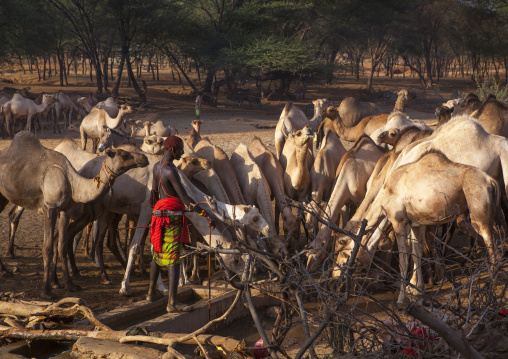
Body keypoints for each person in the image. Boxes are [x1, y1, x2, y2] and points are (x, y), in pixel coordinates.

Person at [147, 135, 213, 312]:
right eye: (180, 149)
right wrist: (204, 213)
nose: (182, 152)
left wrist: (159, 211)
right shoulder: (171, 170)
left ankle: (151, 292)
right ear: (171, 149)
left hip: (159, 215)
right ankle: (172, 302)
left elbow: (153, 195)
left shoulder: (156, 167)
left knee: (158, 252)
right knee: (174, 258)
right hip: (172, 218)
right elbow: (185, 198)